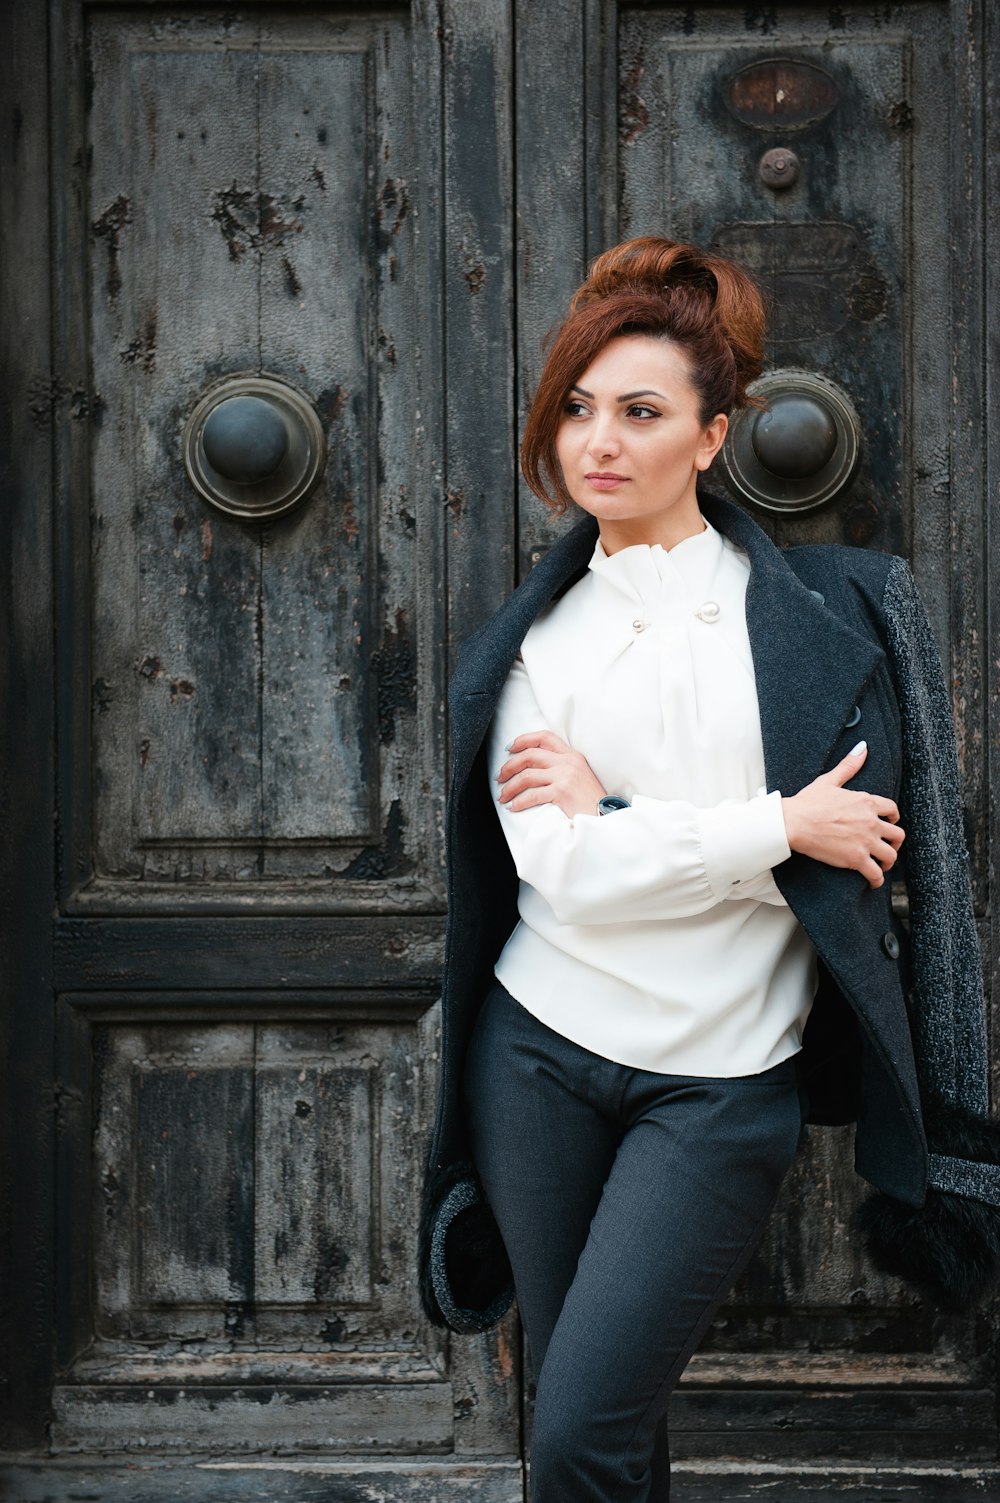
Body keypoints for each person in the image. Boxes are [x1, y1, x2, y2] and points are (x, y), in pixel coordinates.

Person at [419, 236, 1000, 1502]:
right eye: (575, 409)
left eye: (638, 412)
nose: (597, 442)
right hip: (537, 1055)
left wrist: (631, 818)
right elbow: (565, 877)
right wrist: (772, 831)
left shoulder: (826, 621)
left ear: (712, 435)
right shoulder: (532, 643)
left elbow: (865, 851)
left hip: (725, 1080)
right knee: (593, 1430)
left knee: (579, 1435)